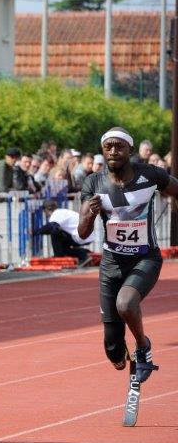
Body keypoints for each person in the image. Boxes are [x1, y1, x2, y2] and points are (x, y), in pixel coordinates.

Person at [78, 127, 178, 388]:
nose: (113, 151)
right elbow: (82, 232)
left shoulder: (150, 174)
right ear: (102, 150)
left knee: (126, 304)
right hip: (111, 264)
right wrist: (89, 213)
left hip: (145, 258)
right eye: (108, 146)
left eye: (119, 146)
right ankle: (124, 354)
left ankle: (143, 347)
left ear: (130, 150)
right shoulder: (93, 183)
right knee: (113, 351)